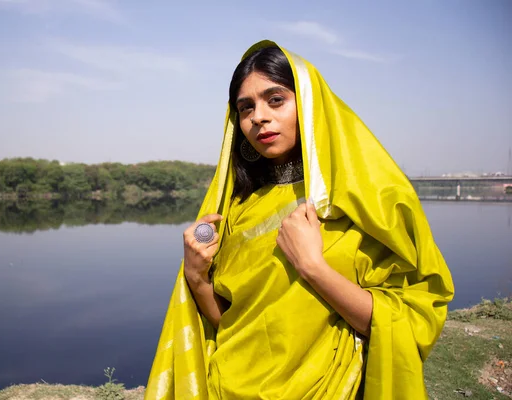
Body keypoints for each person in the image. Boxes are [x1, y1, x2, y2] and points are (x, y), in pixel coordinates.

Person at [144, 40, 454, 400]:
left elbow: (413, 321)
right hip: (228, 387)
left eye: (275, 100)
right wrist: (197, 279)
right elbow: (232, 324)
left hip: (326, 388)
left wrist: (313, 267)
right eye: (246, 108)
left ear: (310, 106)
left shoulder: (368, 203)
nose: (259, 116)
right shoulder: (239, 207)